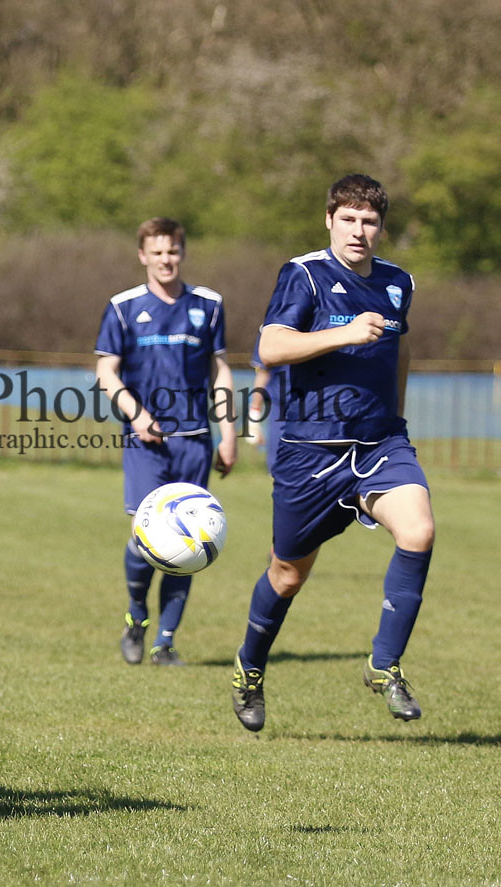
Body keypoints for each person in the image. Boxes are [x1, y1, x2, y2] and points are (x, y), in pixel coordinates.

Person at [230, 174, 435, 732]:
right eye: (348, 219)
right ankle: (250, 666)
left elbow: (400, 347)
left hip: (380, 442)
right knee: (287, 574)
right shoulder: (304, 275)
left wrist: (396, 414)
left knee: (418, 531)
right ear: (329, 220)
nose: (358, 231)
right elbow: (271, 345)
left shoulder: (398, 282)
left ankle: (384, 665)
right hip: (312, 451)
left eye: (369, 221)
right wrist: (343, 334)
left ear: (381, 227)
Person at [95, 217, 237, 666]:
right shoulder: (123, 307)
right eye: (156, 252)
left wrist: (228, 432)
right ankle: (136, 615)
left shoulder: (208, 305)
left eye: (172, 251)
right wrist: (136, 414)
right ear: (143, 256)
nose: (165, 259)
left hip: (194, 441)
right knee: (145, 539)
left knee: (192, 543)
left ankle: (165, 642)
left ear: (183, 252)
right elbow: (105, 371)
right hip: (145, 443)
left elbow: (220, 371)